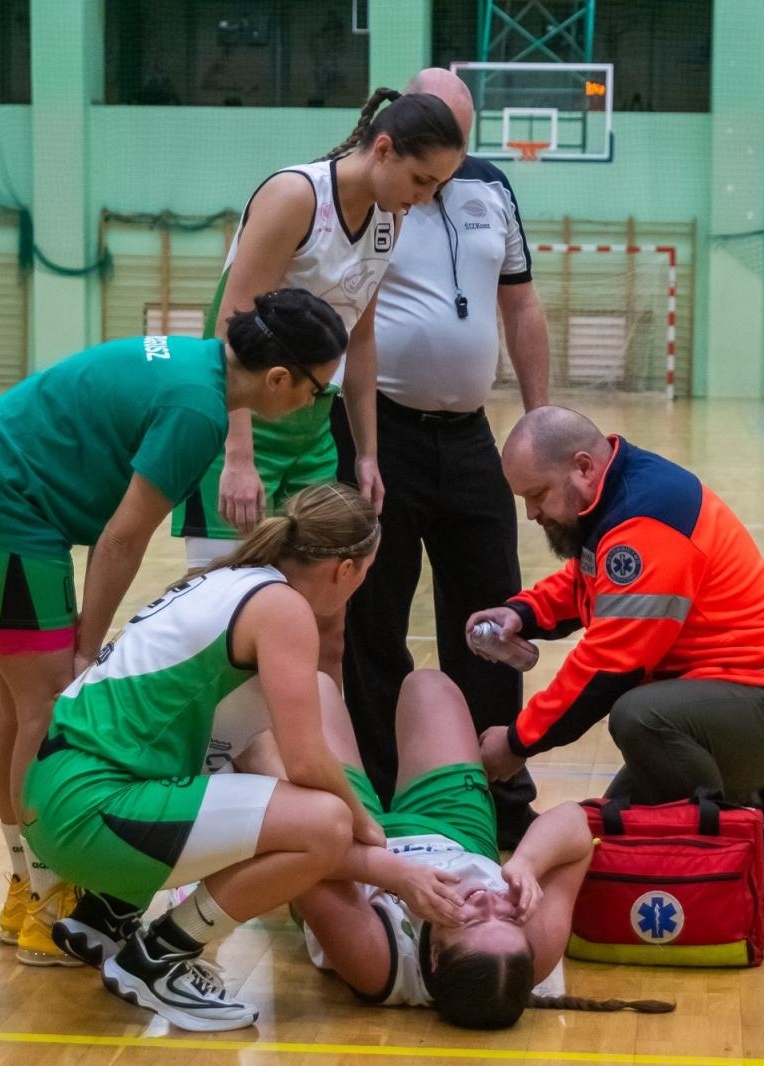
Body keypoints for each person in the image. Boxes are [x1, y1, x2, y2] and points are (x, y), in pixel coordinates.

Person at [0, 289, 347, 967]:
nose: (317, 403)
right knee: (45, 708)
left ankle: (24, 887)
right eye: (320, 389)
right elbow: (123, 538)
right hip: (3, 504)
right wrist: (87, 649)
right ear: (278, 379)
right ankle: (46, 901)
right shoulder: (198, 413)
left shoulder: (196, 365)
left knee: (17, 706)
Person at [21, 484, 387, 1032]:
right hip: (90, 809)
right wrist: (365, 824)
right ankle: (158, 957)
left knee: (249, 756)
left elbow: (243, 743)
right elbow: (308, 762)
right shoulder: (285, 609)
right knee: (326, 825)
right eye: (364, 576)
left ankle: (107, 911)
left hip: (52, 793)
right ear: (346, 569)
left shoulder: (230, 580)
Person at [471, 406, 764, 895]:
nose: (532, 513)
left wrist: (517, 743)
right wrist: (523, 612)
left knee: (637, 717)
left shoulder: (646, 520)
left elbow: (608, 666)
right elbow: (589, 580)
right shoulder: (615, 499)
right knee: (611, 839)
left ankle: (752, 839)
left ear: (583, 467)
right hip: (720, 700)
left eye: (537, 495)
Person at [171, 88, 464, 683]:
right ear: (382, 149)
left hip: (312, 430)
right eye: (422, 179)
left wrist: (369, 455)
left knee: (324, 624)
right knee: (224, 616)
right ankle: (218, 765)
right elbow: (232, 323)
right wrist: (238, 455)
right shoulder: (294, 195)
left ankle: (319, 766)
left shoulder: (391, 217)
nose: (426, 197)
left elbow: (362, 340)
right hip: (238, 421)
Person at [332, 67, 549, 849]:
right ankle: (390, 791)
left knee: (493, 612)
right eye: (438, 145)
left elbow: (520, 303)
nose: (447, 166)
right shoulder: (375, 186)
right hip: (379, 430)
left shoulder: (491, 189)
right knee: (372, 617)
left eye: (462, 144)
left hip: (469, 436)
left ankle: (495, 784)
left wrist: (539, 420)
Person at [282, 668, 674, 1029]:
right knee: (428, 686)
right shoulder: (528, 953)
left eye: (470, 920)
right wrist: (526, 863)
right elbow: (573, 823)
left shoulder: (375, 963)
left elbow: (304, 854)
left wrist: (396, 874)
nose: (489, 901)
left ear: (433, 958)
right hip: (456, 836)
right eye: (507, 920)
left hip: (346, 850)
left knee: (312, 686)